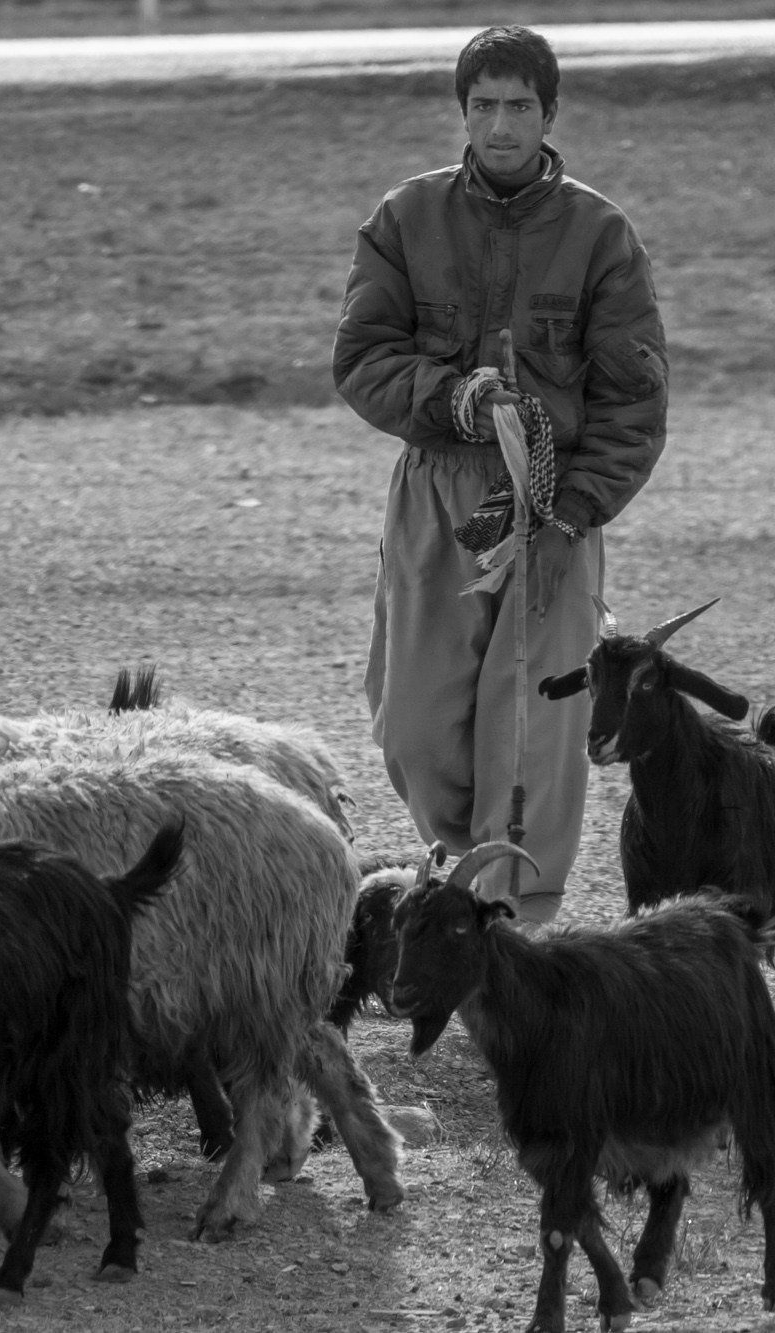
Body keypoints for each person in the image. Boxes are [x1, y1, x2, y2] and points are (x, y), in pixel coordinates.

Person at [332, 24, 667, 923]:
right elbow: (363, 359)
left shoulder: (601, 234)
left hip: (554, 505)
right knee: (412, 723)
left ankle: (505, 927)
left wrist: (572, 514)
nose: (503, 125)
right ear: (464, 115)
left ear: (550, 114)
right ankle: (465, 865)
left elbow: (635, 402)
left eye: (521, 106)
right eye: (485, 107)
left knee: (530, 734)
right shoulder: (406, 217)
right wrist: (456, 398)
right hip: (438, 491)